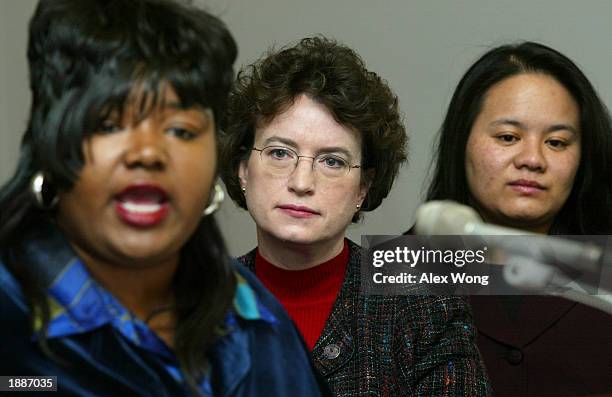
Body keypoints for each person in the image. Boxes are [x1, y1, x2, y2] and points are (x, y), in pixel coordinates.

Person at [0, 1, 331, 396]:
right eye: (109, 124)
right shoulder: (11, 315)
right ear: (50, 143)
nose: (148, 152)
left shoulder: (254, 321)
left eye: (180, 130)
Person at [220, 36, 491, 396]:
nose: (302, 182)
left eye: (333, 161)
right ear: (242, 170)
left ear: (363, 187)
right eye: (280, 153)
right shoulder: (195, 300)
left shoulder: (422, 301)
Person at [421, 41, 612, 396]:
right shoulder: (398, 269)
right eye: (508, 137)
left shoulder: (604, 274)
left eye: (556, 142)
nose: (532, 159)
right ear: (462, 140)